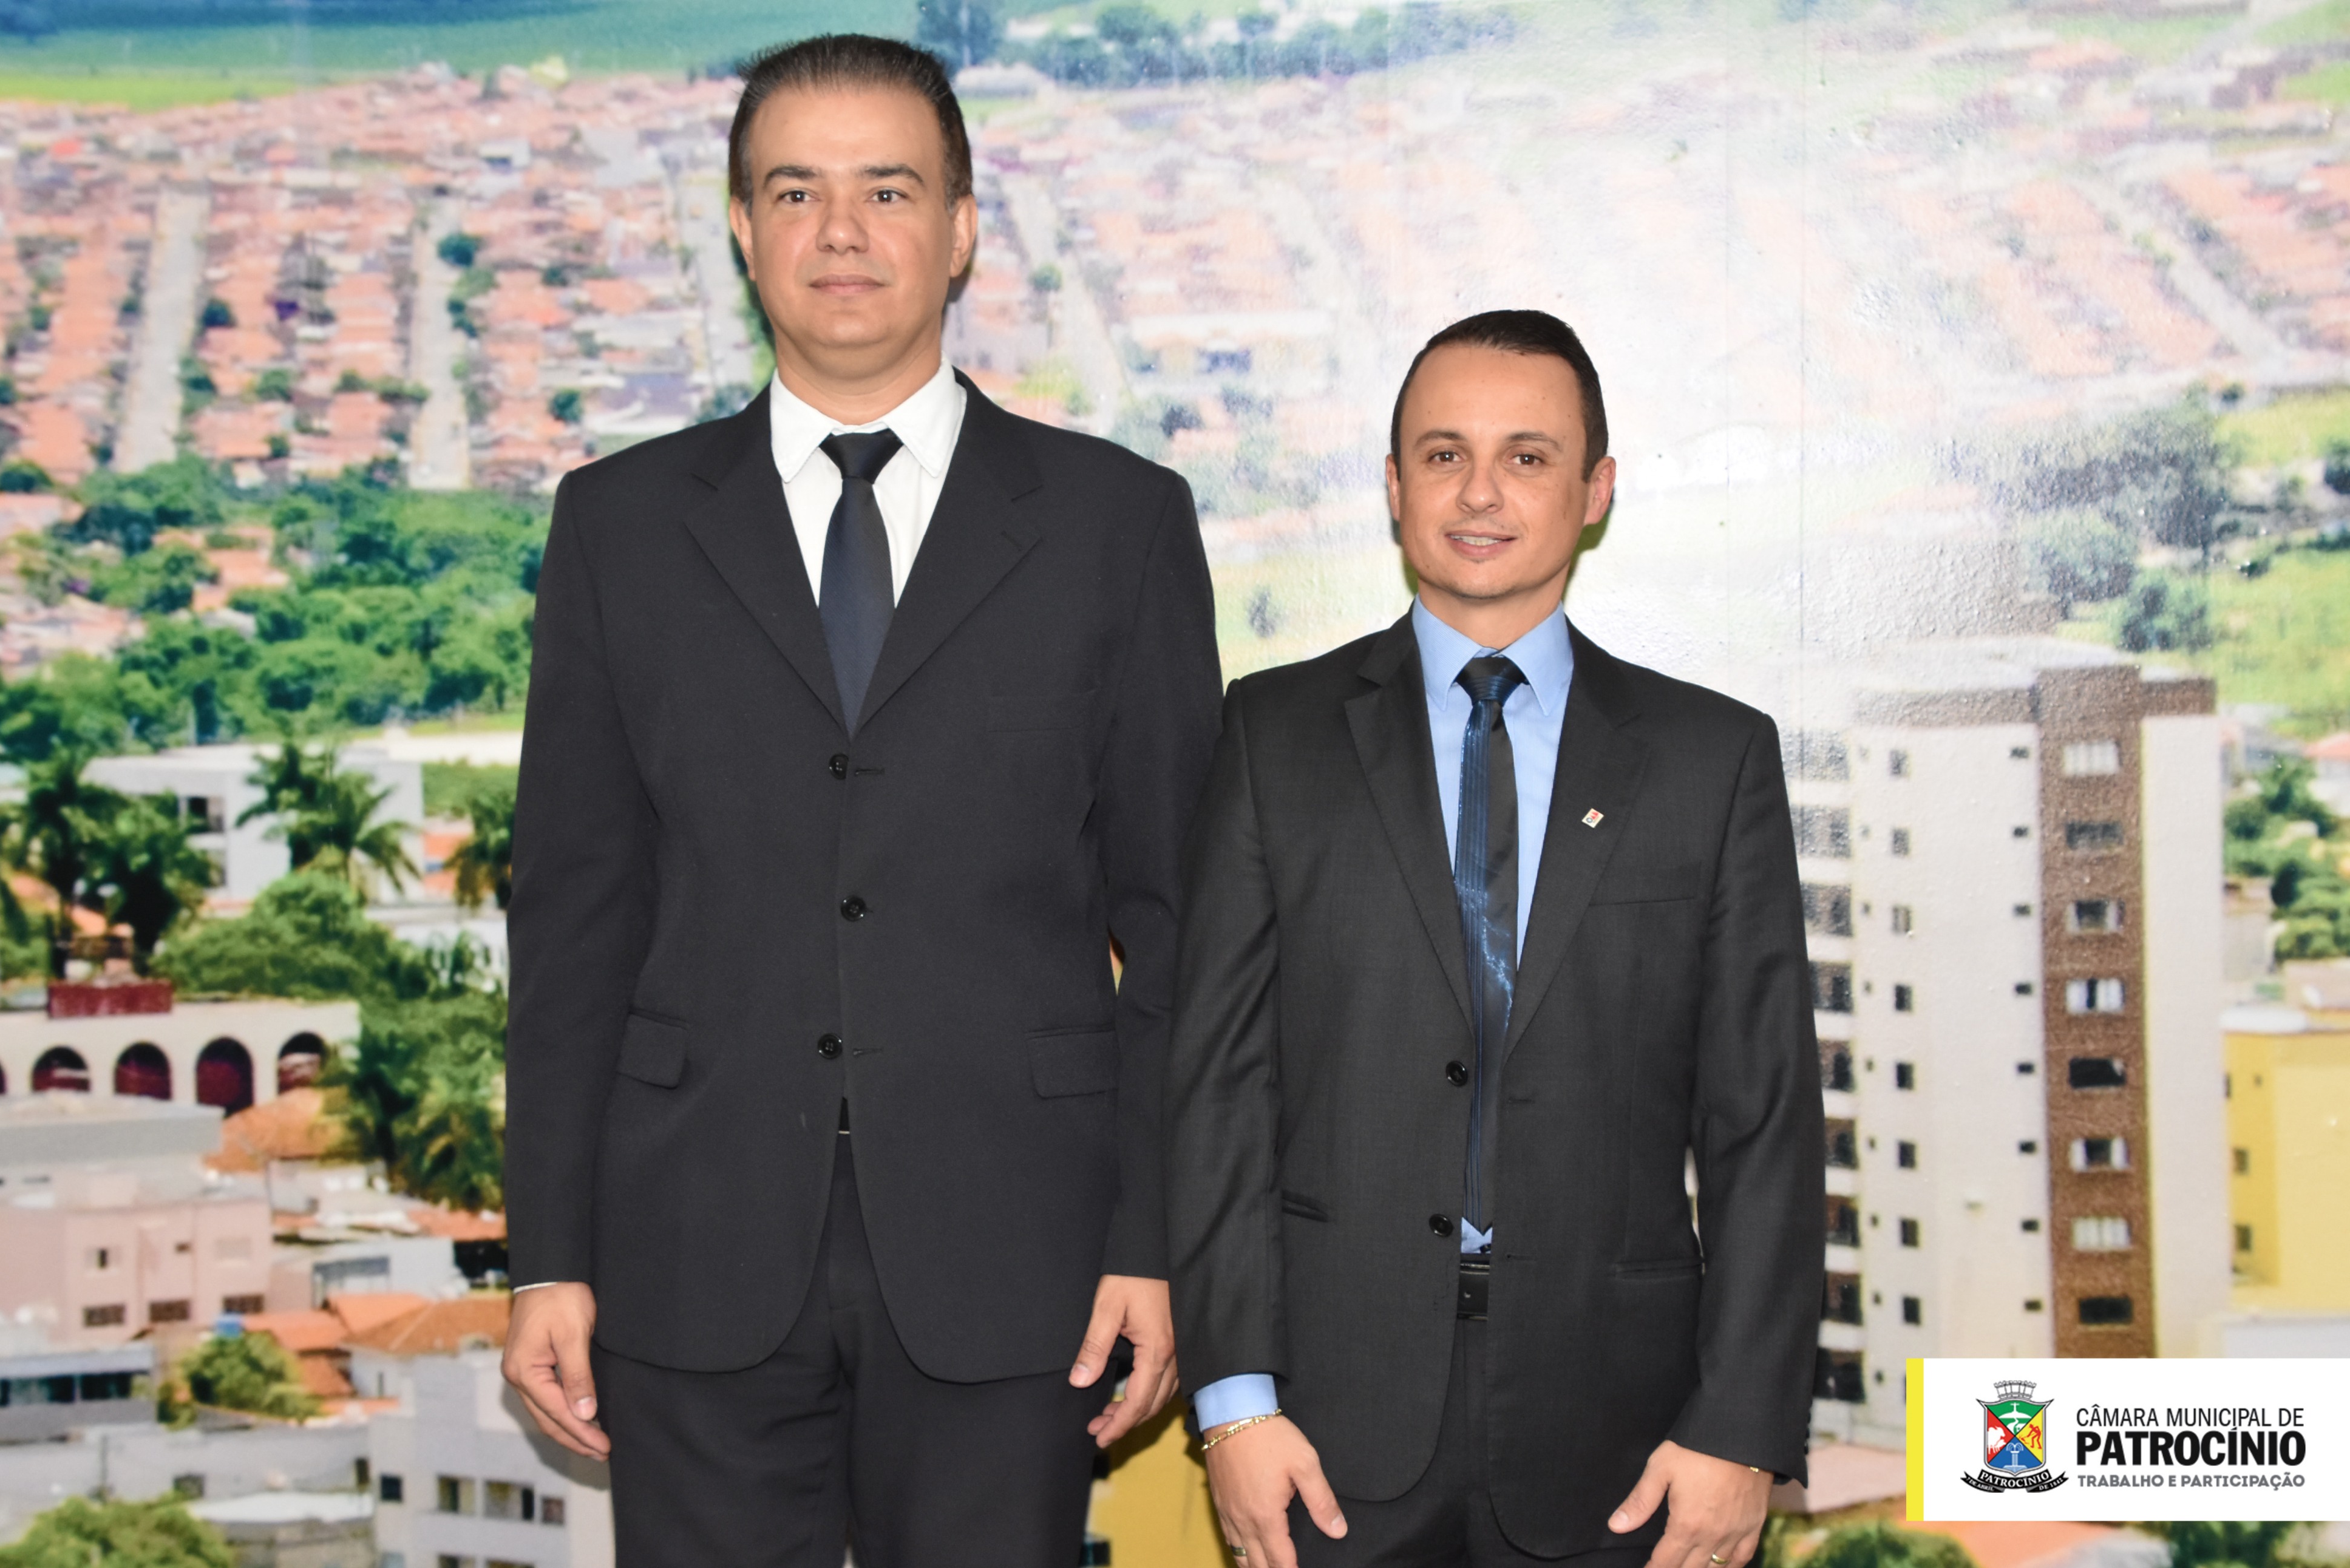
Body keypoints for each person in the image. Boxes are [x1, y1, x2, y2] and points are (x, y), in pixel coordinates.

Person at [499, 35, 1221, 1567]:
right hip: (687, 1243)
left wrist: (1153, 1240)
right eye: (795, 192)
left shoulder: (1118, 525)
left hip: (1017, 1253)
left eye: (888, 190)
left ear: (960, 229)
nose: (841, 232)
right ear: (742, 228)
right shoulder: (619, 524)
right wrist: (544, 1253)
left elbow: (1180, 931)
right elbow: (572, 918)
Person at [1165, 310, 1824, 1568]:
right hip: (1323, 1426)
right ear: (1393, 486)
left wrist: (1740, 1426)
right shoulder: (1272, 736)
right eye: (1443, 454)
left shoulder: (1712, 759)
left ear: (1595, 491)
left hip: (1628, 1440)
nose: (1480, 492)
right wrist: (1235, 1404)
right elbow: (1219, 1092)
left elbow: (1763, 1120)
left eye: (1527, 456)